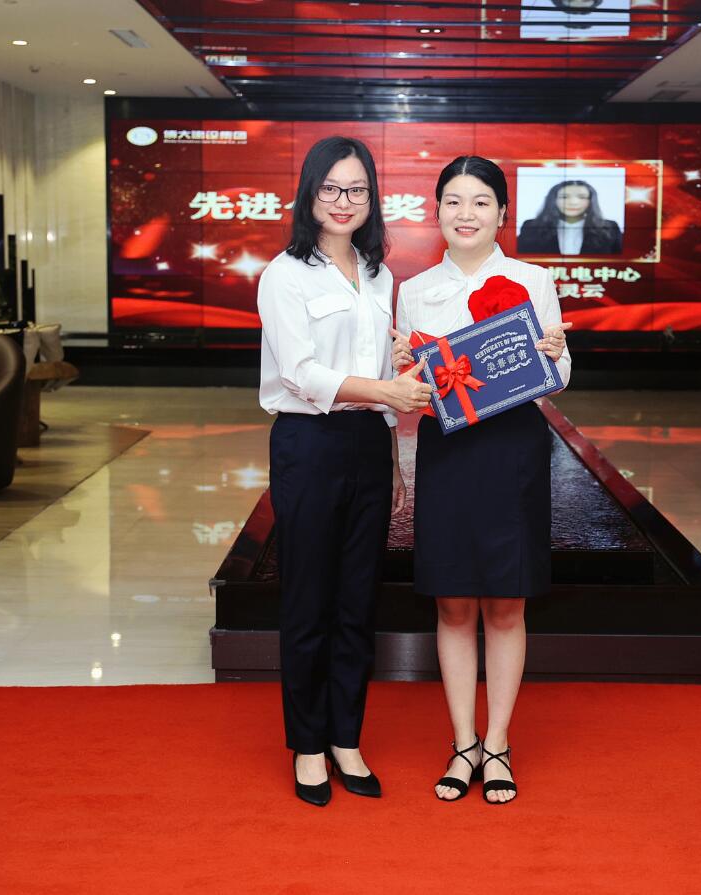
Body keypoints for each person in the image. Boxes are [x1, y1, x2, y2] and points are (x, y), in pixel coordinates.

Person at [257, 136, 434, 807]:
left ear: (371, 199)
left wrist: (393, 460)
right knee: (309, 598)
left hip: (367, 443)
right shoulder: (284, 274)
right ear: (309, 192)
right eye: (330, 188)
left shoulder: (379, 274)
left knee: (359, 600)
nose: (343, 201)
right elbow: (300, 375)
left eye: (356, 189)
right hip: (308, 442)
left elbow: (385, 374)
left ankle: (345, 738)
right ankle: (307, 744)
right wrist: (386, 393)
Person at [391, 156, 572, 804]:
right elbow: (406, 387)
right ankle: (462, 741)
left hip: (512, 450)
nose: (465, 214)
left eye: (479, 202)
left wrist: (553, 356)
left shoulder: (532, 279)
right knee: (452, 601)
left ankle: (497, 743)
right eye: (453, 201)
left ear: (501, 213)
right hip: (448, 450)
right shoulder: (414, 289)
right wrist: (403, 371)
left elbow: (559, 377)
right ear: (437, 211)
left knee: (505, 600)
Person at [516, 179, 623, 256]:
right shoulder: (531, 227)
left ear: (591, 201)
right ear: (553, 200)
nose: (573, 202)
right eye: (564, 197)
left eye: (582, 197)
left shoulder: (610, 228)